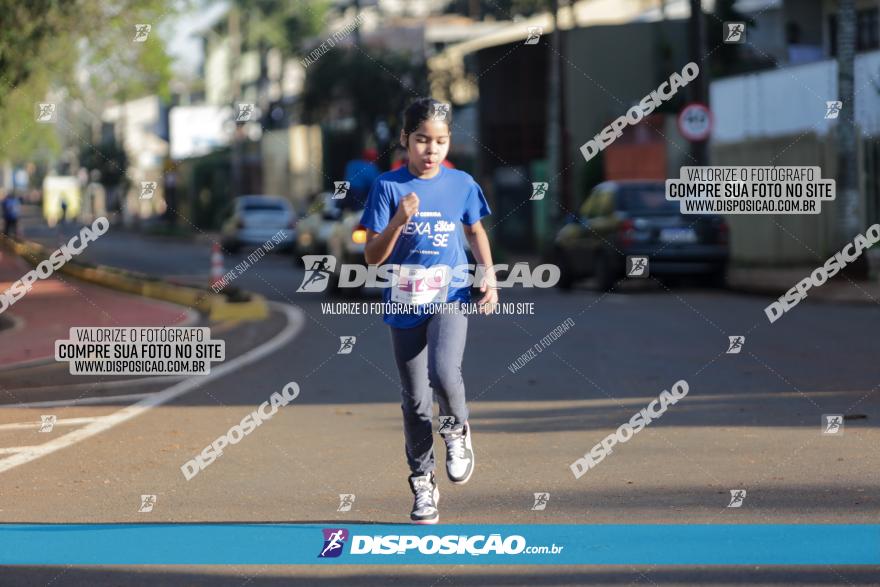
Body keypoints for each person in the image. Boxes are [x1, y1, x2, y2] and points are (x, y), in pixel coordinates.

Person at [360, 97, 498, 524]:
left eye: (440, 141)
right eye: (422, 140)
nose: (431, 150)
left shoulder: (461, 184)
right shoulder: (388, 187)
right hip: (404, 301)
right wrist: (399, 220)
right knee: (416, 402)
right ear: (405, 140)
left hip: (451, 295)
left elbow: (475, 231)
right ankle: (423, 484)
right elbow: (371, 257)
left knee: (443, 372)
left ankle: (457, 427)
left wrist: (488, 274)